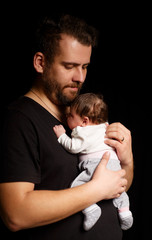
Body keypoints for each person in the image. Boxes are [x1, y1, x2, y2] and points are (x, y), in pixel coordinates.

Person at [0, 14, 134, 240]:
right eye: (69, 66)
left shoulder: (82, 115)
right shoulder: (20, 120)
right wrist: (95, 190)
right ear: (41, 62)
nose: (80, 77)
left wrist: (127, 160)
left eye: (85, 67)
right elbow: (15, 213)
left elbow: (117, 185)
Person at [53, 92, 133, 231]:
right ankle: (125, 213)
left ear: (84, 121)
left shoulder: (83, 131)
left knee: (77, 186)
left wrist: (61, 136)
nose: (67, 116)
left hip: (95, 164)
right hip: (114, 163)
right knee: (120, 189)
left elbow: (74, 147)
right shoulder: (104, 127)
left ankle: (90, 209)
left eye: (71, 115)